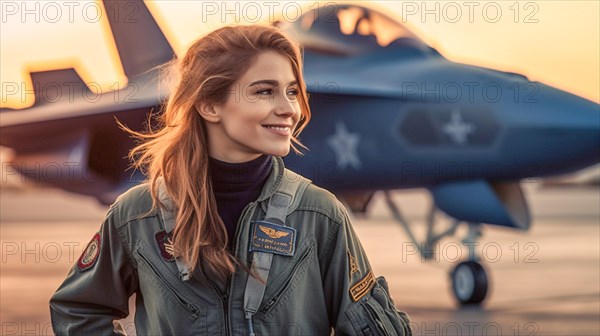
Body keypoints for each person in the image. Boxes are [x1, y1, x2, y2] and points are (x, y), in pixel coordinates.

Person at [50, 24, 412, 335]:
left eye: (291, 91)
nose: (289, 109)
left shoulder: (318, 214)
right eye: (264, 91)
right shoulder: (139, 215)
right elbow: (78, 309)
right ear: (209, 105)